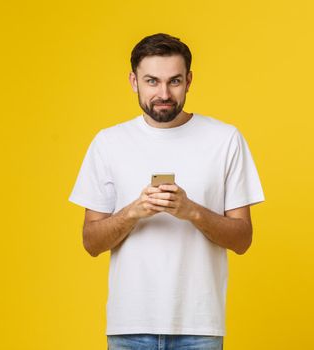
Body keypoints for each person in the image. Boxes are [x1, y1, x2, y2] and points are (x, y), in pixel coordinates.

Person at [68, 33, 265, 350]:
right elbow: (91, 242)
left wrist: (192, 212)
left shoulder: (225, 139)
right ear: (134, 81)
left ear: (189, 80)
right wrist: (133, 212)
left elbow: (242, 239)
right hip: (129, 326)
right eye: (152, 81)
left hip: (199, 326)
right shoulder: (108, 143)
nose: (163, 93)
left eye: (174, 81)